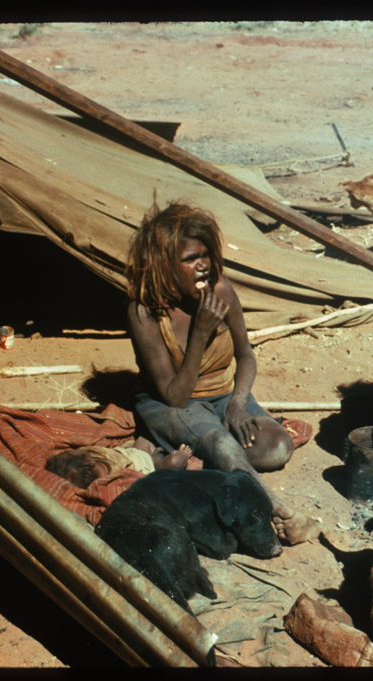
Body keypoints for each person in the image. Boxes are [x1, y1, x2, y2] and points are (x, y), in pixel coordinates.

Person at [125, 200, 316, 544]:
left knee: (276, 447)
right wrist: (200, 331)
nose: (202, 266)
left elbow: (246, 357)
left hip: (223, 394)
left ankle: (186, 455)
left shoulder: (221, 290)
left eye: (205, 255)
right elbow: (176, 395)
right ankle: (278, 512)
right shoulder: (144, 312)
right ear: (164, 265)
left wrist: (238, 405)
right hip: (171, 403)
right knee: (220, 442)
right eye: (189, 259)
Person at [45, 437, 192, 489]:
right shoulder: (110, 480)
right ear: (87, 461)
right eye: (72, 452)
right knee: (175, 461)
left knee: (143, 440)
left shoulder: (92, 456)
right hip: (148, 465)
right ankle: (183, 455)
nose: (74, 450)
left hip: (132, 450)